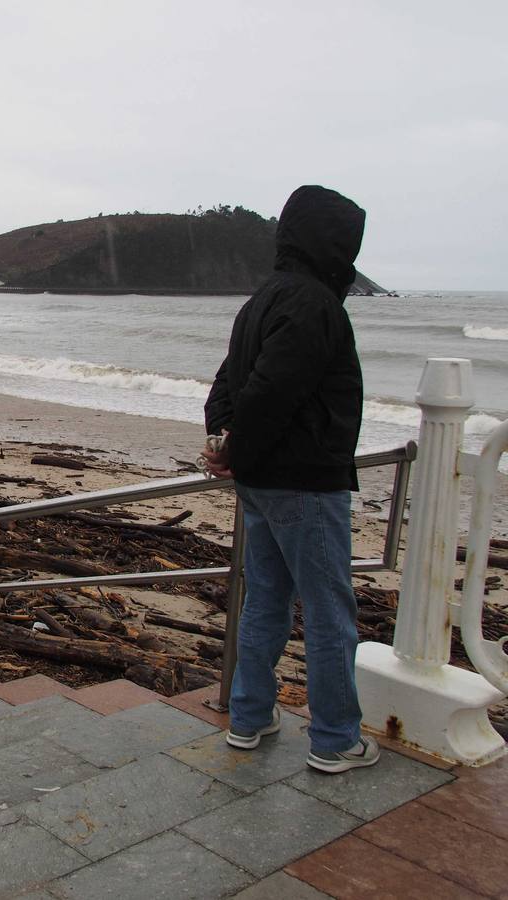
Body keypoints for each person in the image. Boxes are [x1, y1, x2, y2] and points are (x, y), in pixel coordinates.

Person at [202, 184, 380, 774]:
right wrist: (236, 447)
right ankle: (335, 739)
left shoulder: (262, 299)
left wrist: (224, 444)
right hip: (305, 482)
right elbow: (270, 389)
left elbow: (227, 384)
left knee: (267, 601)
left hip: (260, 481)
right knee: (329, 613)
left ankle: (250, 718)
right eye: (347, 239)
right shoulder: (315, 304)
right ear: (332, 242)